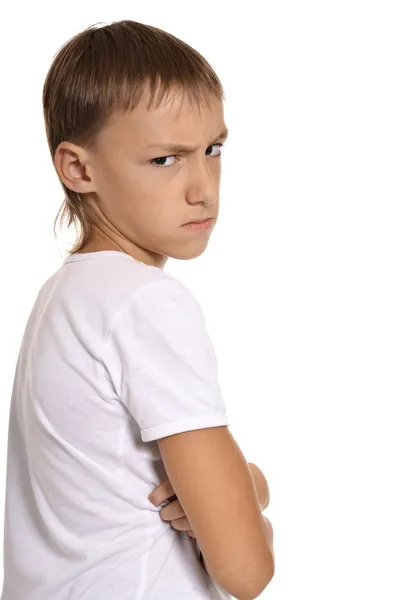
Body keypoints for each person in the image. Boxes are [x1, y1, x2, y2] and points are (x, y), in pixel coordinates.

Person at [0, 19, 274, 600]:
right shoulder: (145, 302)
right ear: (78, 169)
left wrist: (243, 490)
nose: (204, 186)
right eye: (164, 160)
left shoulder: (64, 299)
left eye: (213, 149)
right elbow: (246, 570)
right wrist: (255, 513)